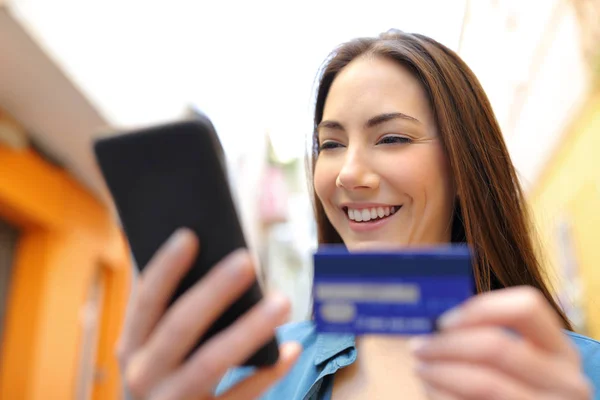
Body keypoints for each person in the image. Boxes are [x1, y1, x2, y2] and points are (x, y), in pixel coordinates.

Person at [117, 30, 600, 400]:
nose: (347, 173)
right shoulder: (249, 372)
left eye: (391, 138)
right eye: (330, 144)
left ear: (464, 165)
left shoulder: (580, 376)